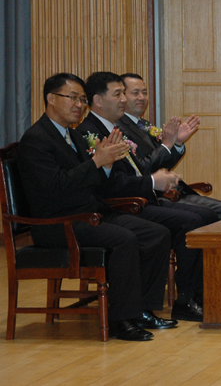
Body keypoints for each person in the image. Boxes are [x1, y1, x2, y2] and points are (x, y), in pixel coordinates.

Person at [16, 73, 173, 341]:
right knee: (124, 239)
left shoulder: (72, 135)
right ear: (51, 98)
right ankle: (121, 320)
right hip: (58, 223)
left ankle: (142, 310)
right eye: (73, 98)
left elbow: (93, 180)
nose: (79, 105)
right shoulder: (36, 139)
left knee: (157, 233)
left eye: (82, 100)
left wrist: (106, 165)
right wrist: (97, 162)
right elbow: (55, 187)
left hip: (89, 214)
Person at [78, 72, 213, 322]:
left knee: (203, 217)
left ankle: (196, 295)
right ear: (98, 100)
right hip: (122, 206)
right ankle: (182, 300)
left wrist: (159, 175)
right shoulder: (89, 133)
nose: (123, 100)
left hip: (139, 198)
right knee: (191, 222)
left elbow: (139, 168)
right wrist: (152, 182)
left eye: (123, 93)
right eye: (118, 94)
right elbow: (109, 184)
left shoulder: (115, 129)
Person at [117, 72, 221, 218]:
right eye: (135, 93)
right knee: (213, 214)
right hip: (154, 196)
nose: (142, 97)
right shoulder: (119, 128)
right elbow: (142, 168)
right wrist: (166, 145)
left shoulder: (144, 124)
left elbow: (163, 163)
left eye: (144, 92)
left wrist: (176, 143)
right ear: (122, 96)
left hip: (173, 191)